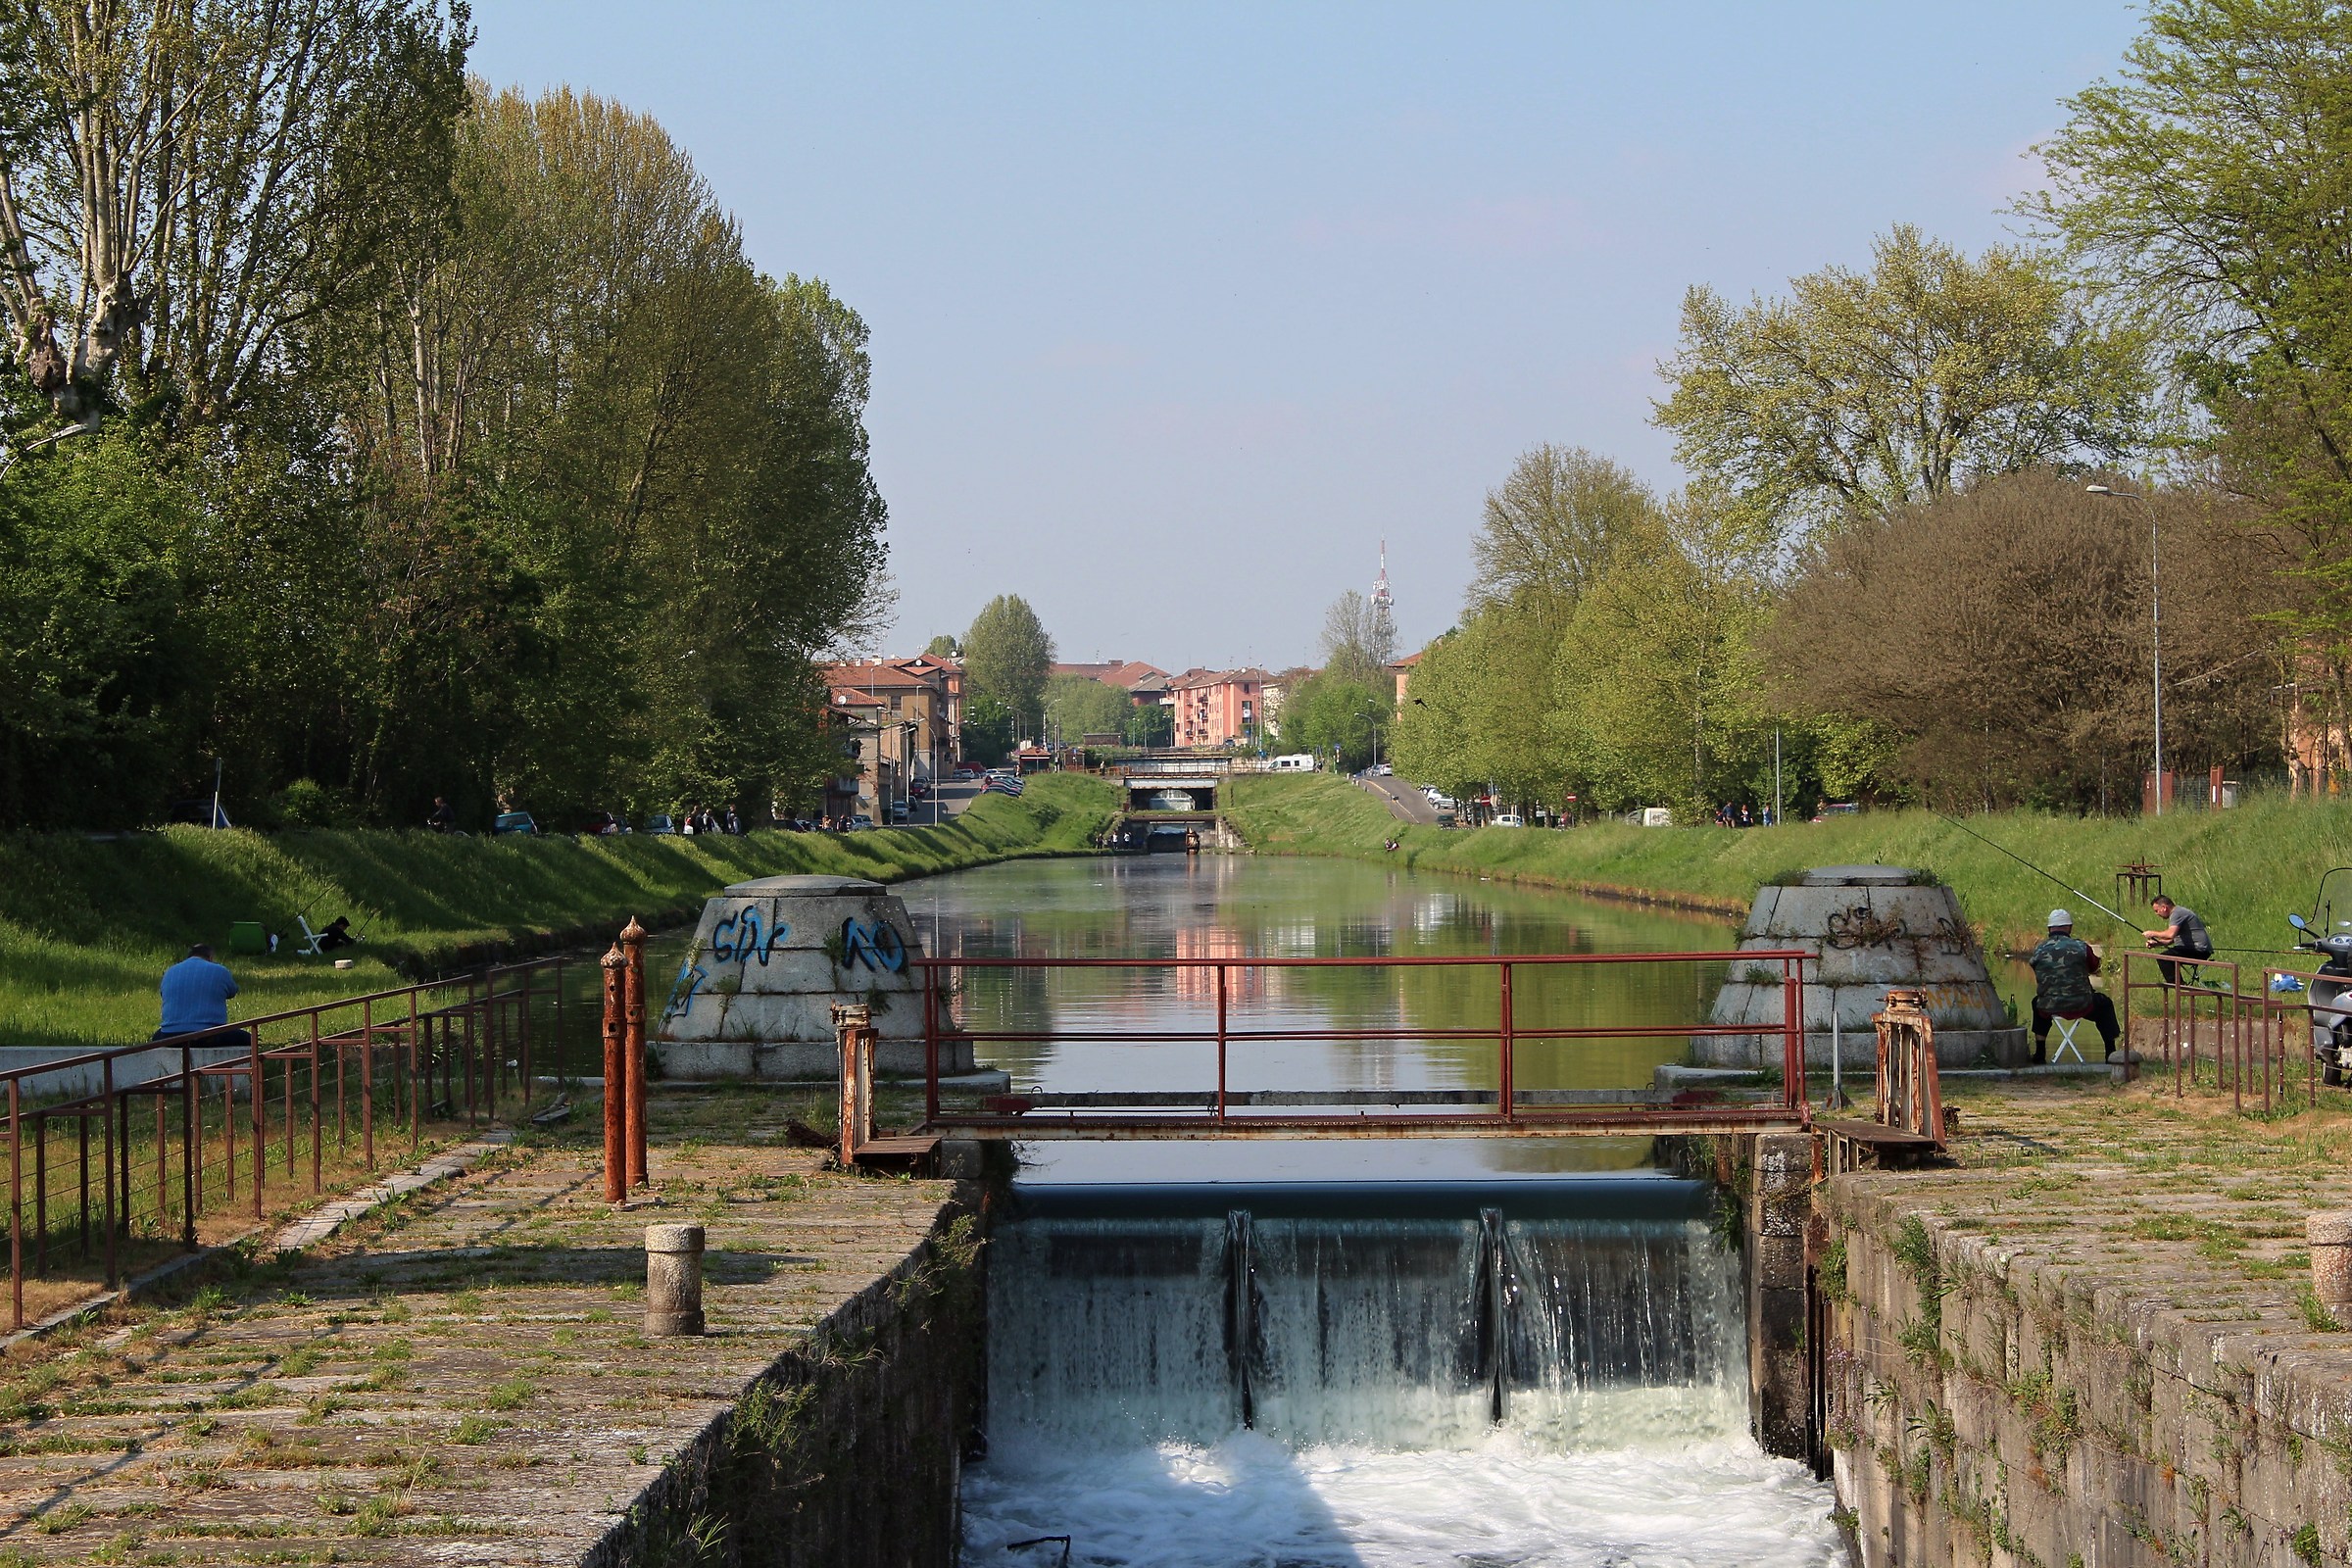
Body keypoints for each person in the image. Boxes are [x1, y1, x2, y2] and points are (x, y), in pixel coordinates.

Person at [2028, 909, 2121, 1063]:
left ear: (2049, 928)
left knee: (2036, 1003)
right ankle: (2110, 1053)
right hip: (2081, 1004)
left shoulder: (2039, 949)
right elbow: (2094, 967)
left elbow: (2035, 967)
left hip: (2049, 1005)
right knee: (2105, 1004)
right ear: (2069, 927)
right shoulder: (2081, 947)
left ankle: (2039, 1053)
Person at [155, 944, 252, 1052]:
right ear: (210, 957)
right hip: (208, 1035)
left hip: (170, 1036)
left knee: (156, 1036)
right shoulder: (220, 971)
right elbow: (232, 991)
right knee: (249, 1038)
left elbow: (163, 994)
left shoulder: (170, 972)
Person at [2143, 894, 2214, 987]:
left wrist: (2152, 933)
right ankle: (2179, 985)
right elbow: (2170, 940)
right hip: (2193, 949)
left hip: (2199, 950)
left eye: (2157, 911)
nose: (2156, 914)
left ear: (2164, 907)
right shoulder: (2177, 913)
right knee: (2166, 957)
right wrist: (2156, 943)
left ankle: (2178, 986)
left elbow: (2170, 934)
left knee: (2164, 958)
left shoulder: (2177, 913)